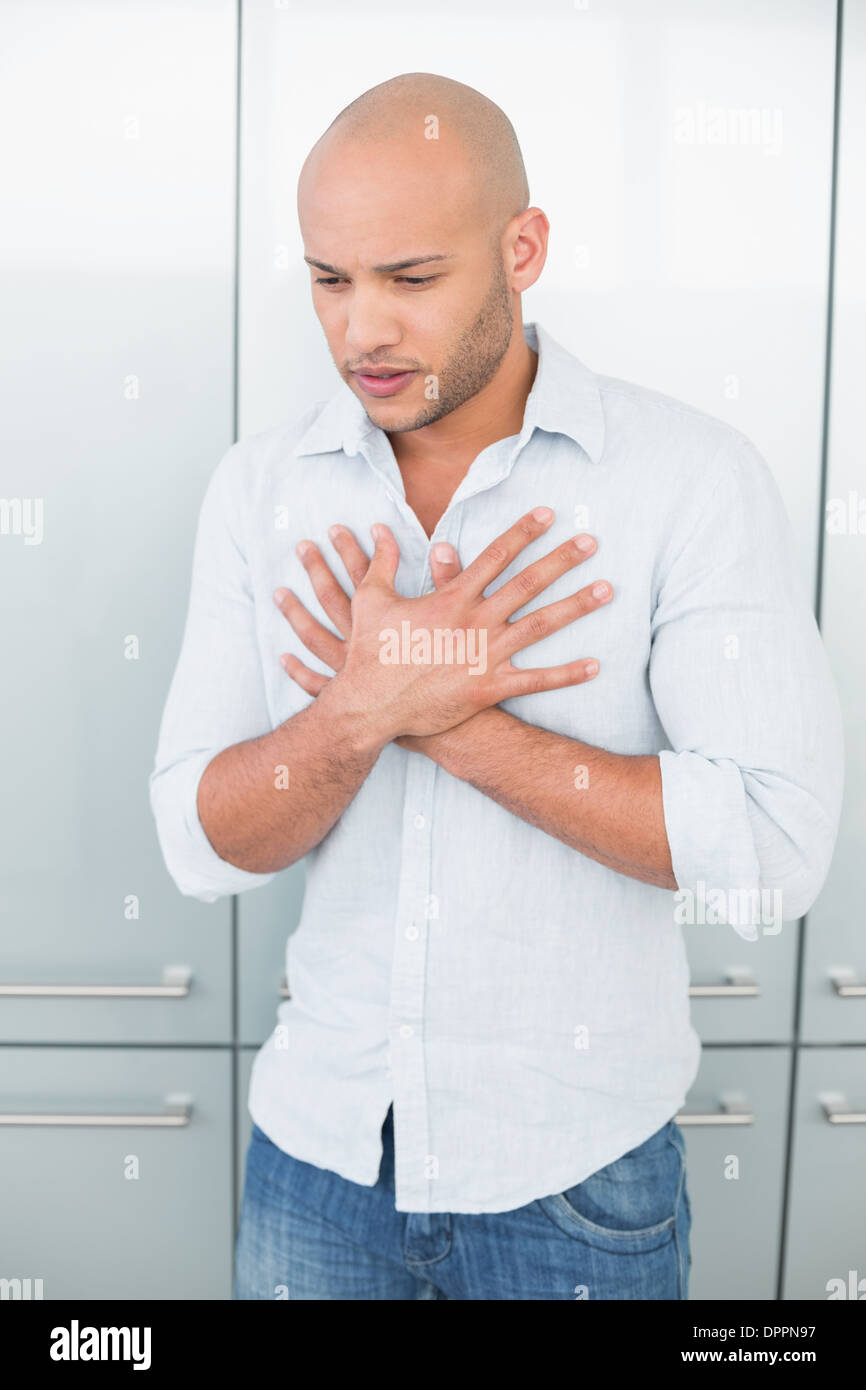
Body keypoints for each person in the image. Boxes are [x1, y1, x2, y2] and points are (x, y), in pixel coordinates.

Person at [149, 72, 844, 1300]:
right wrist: (359, 709)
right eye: (329, 279)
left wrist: (455, 724)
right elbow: (200, 843)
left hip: (574, 1185)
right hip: (315, 1167)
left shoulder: (686, 478)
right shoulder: (260, 491)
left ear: (521, 249)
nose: (360, 330)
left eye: (409, 280)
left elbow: (775, 847)